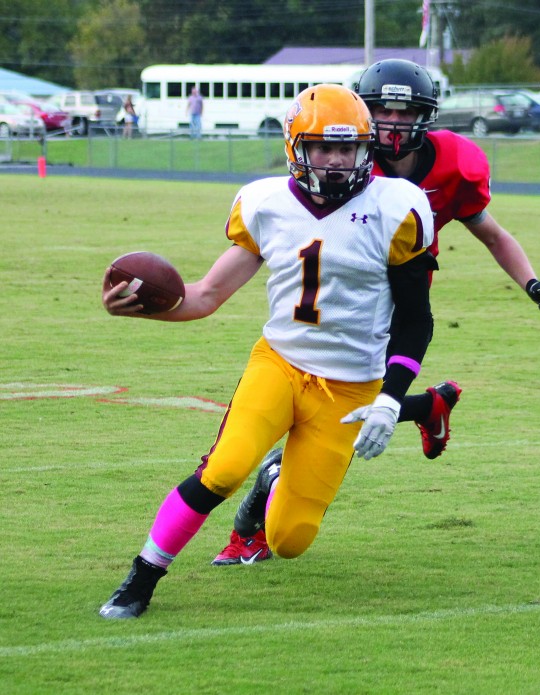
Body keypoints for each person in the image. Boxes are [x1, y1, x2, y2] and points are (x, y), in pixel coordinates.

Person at [98, 83, 437, 619]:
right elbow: (205, 296)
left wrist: (392, 398)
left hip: (350, 385)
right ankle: (141, 578)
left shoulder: (398, 206)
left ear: (364, 150)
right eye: (323, 147)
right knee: (224, 470)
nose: (335, 160)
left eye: (346, 148)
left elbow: (417, 319)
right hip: (280, 362)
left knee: (290, 539)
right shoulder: (264, 202)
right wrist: (144, 309)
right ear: (295, 147)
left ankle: (277, 479)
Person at [211, 58, 540, 567]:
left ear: (426, 117)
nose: (393, 124)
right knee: (331, 400)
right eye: (382, 111)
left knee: (344, 408)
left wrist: (531, 281)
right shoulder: (343, 156)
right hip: (346, 289)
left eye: (406, 113)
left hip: (403, 292)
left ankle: (254, 525)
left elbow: (491, 232)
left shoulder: (454, 163)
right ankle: (427, 407)